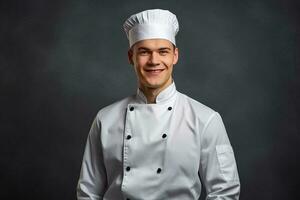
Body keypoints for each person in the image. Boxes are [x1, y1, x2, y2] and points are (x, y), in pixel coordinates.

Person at [77, 9, 240, 200]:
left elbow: (225, 191)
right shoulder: (105, 119)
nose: (154, 61)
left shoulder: (206, 119)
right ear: (131, 57)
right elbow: (88, 192)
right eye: (144, 52)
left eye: (163, 51)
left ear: (175, 56)